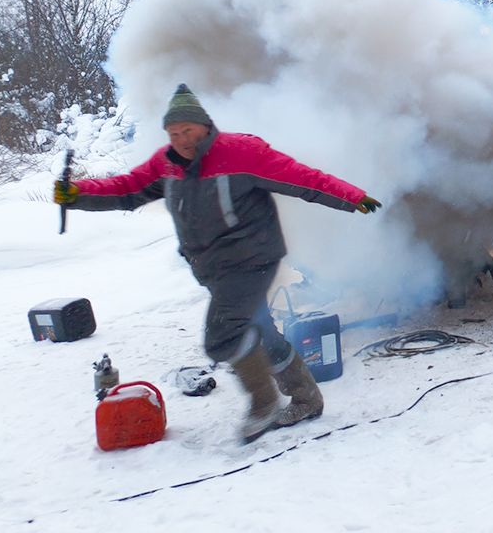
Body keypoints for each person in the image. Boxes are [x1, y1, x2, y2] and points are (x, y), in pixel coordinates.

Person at [54, 84, 381, 443]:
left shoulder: (240, 153)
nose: (181, 139)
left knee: (221, 337)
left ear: (205, 126)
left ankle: (264, 403)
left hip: (252, 259)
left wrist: (351, 197)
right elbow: (127, 189)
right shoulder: (166, 165)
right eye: (174, 133)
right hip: (212, 268)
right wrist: (79, 194)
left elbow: (300, 178)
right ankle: (306, 398)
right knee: (258, 330)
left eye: (187, 131)